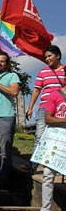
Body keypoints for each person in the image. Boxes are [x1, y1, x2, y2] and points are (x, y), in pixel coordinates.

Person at [25, 45, 64, 173]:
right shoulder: (43, 72)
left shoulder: (65, 70)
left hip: (61, 109)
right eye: (45, 57)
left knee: (61, 138)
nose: (47, 59)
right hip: (44, 108)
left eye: (49, 56)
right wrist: (30, 108)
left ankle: (58, 166)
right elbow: (37, 90)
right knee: (40, 136)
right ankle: (33, 165)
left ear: (57, 56)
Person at [0, 52, 20, 190]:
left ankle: (3, 183)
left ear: (7, 64)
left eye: (2, 61)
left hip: (6, 117)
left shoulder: (12, 76)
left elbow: (14, 92)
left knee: (5, 151)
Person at [42, 71, 66, 211]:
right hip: (55, 139)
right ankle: (45, 210)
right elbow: (48, 118)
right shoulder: (55, 94)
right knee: (48, 174)